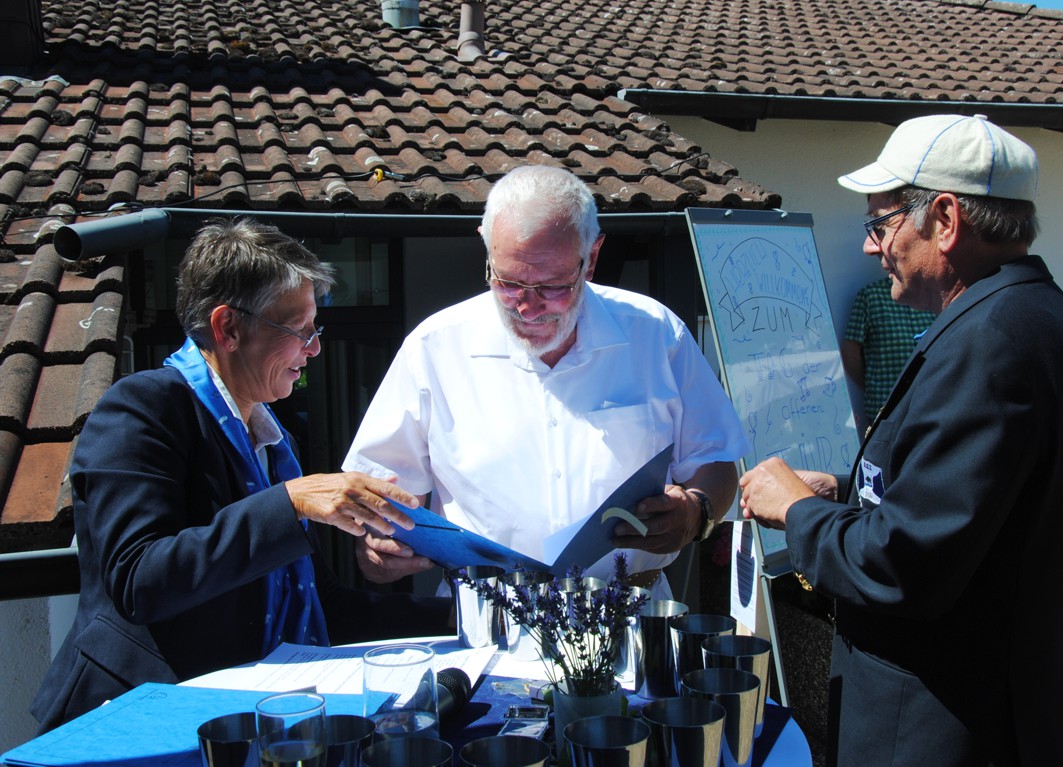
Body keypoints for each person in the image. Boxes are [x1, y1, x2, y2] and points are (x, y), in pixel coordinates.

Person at [32, 219, 452, 731]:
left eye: (316, 330)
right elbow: (139, 580)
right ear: (228, 328)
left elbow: (323, 607)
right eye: (300, 330)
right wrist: (290, 502)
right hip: (137, 723)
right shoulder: (142, 407)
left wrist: (464, 618)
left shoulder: (274, 439)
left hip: (245, 718)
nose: (314, 349)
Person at [738, 114, 1063, 766]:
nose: (870, 248)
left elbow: (904, 566)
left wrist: (796, 510)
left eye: (880, 224)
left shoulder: (987, 344)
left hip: (934, 723)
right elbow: (972, 512)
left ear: (944, 219)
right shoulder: (1030, 315)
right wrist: (843, 493)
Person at [342, 164, 750, 597]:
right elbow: (378, 498)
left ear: (592, 258)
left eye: (553, 286)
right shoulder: (433, 348)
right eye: (508, 283)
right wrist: (375, 553)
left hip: (631, 611)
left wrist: (697, 512)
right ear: (487, 248)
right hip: (490, 617)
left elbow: (716, 459)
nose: (527, 307)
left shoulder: (656, 334)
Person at [841, 276, 936, 434]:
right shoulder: (871, 296)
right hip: (886, 411)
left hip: (929, 405)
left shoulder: (930, 293)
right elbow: (850, 351)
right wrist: (873, 386)